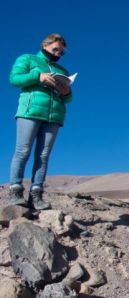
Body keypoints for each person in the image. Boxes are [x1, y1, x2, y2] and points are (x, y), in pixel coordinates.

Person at [8, 33, 73, 210]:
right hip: (30, 112)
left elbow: (68, 98)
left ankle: (36, 195)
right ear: (45, 45)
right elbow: (14, 79)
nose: (58, 54)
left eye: (61, 52)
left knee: (43, 156)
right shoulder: (27, 59)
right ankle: (15, 191)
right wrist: (38, 77)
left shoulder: (62, 71)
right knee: (23, 151)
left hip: (54, 116)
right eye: (55, 49)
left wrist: (66, 92)